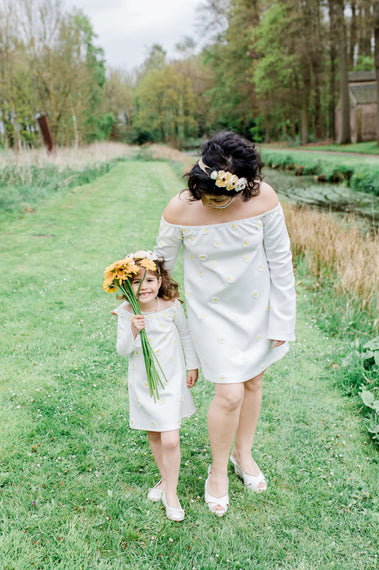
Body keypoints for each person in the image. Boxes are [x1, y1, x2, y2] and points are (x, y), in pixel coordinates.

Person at [154, 131, 296, 517]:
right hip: (208, 312)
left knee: (253, 381)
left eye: (223, 198)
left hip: (256, 306)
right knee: (229, 392)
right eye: (208, 197)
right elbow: (162, 267)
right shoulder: (179, 209)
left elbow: (280, 261)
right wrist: (150, 309)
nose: (215, 204)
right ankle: (217, 473)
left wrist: (282, 318)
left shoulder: (264, 198)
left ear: (245, 185)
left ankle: (242, 455)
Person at [111, 250, 199, 521]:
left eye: (150, 280)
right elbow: (123, 350)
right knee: (154, 434)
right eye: (137, 281)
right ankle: (164, 480)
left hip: (170, 379)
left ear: (160, 281)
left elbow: (185, 333)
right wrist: (134, 331)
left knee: (171, 439)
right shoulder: (127, 313)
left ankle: (170, 493)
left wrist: (191, 365)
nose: (144, 286)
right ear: (126, 285)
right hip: (143, 382)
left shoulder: (171, 306)